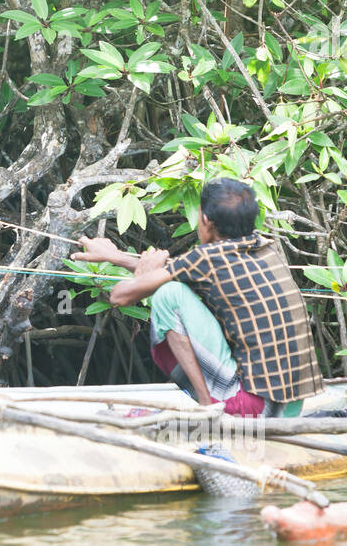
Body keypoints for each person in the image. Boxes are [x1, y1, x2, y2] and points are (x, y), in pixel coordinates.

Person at [70, 178, 323, 417]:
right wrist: (114, 256)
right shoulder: (265, 248)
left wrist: (145, 269)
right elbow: (173, 270)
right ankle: (213, 401)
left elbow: (119, 296)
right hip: (290, 408)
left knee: (168, 295)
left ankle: (206, 407)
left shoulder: (206, 257)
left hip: (252, 408)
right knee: (172, 288)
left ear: (206, 220)